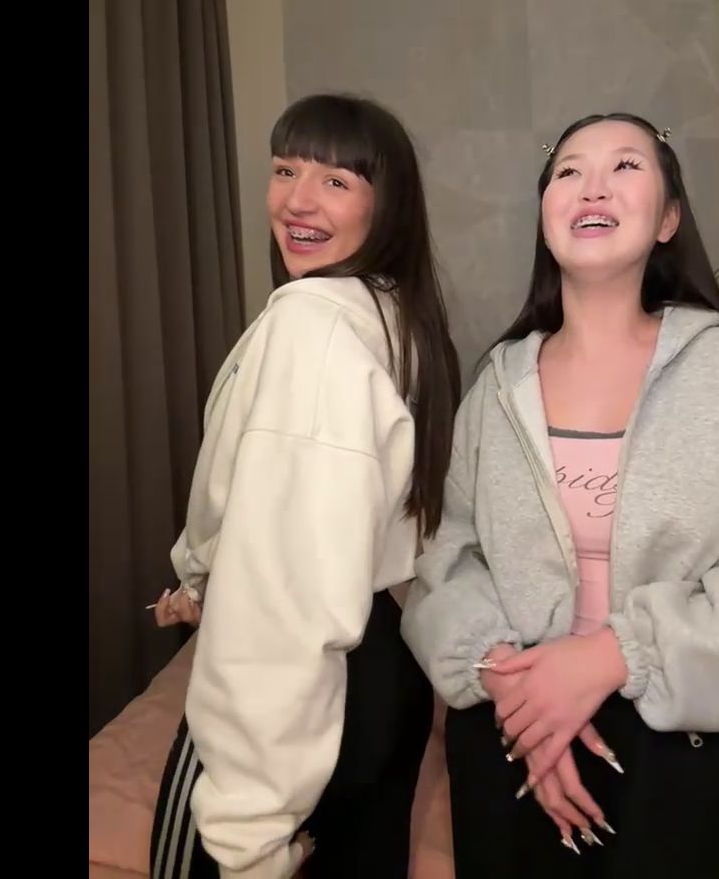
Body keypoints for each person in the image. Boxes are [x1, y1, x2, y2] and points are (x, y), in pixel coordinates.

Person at [402, 112, 719, 878]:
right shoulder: (496, 387)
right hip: (508, 738)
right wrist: (513, 686)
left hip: (679, 748)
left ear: (669, 218)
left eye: (625, 166)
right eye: (568, 171)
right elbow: (444, 560)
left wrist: (618, 654)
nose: (592, 186)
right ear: (546, 212)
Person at [148, 93, 461, 879]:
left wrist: (247, 828)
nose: (297, 200)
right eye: (286, 170)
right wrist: (202, 573)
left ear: (387, 207)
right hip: (383, 675)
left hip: (317, 688)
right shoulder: (399, 320)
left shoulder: (312, 325)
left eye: (336, 181)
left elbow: (285, 596)